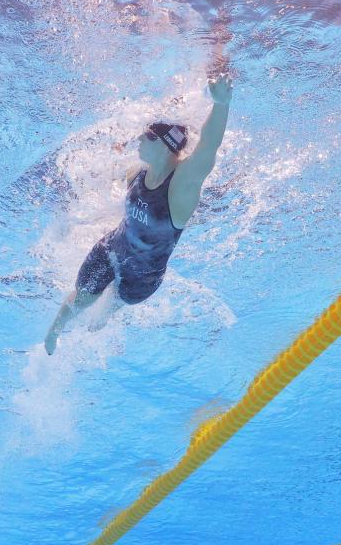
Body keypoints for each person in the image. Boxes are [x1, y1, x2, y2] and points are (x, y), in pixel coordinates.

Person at [44, 72, 234, 355]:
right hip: (112, 248)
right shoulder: (138, 172)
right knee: (83, 296)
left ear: (164, 144)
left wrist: (221, 105)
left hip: (143, 277)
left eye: (147, 135)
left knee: (111, 306)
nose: (138, 139)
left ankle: (107, 313)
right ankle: (54, 331)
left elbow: (207, 149)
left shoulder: (179, 188)